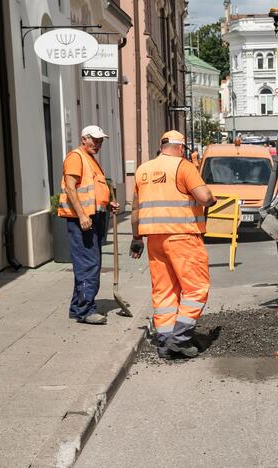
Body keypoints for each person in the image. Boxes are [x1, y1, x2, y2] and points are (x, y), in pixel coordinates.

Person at [129, 130, 217, 359]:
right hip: (182, 237)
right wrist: (211, 198)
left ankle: (165, 343)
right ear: (180, 148)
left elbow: (136, 210)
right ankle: (180, 338)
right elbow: (204, 197)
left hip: (154, 240)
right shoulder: (183, 166)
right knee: (196, 288)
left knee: (164, 290)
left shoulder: (143, 170)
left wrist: (136, 238)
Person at [58, 125, 120, 325]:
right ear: (84, 138)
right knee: (88, 264)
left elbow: (91, 191)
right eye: (95, 139)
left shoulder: (90, 159)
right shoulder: (76, 157)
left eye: (101, 140)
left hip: (93, 217)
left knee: (88, 263)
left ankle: (77, 307)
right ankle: (86, 310)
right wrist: (82, 214)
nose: (98, 143)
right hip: (82, 220)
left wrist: (106, 203)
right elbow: (70, 187)